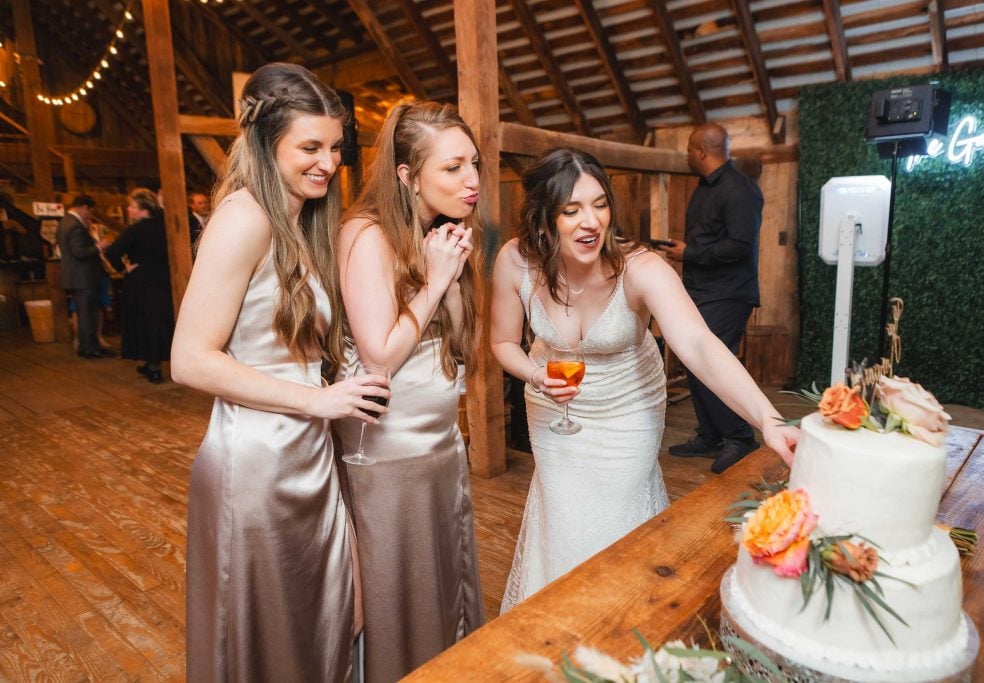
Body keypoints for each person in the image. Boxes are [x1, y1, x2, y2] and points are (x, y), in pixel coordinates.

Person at [490, 147, 798, 611]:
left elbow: (699, 344)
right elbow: (502, 343)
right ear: (543, 219)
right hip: (554, 410)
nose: (590, 221)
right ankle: (558, 620)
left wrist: (767, 418)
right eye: (571, 210)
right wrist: (535, 375)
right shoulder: (516, 260)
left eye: (599, 204)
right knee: (563, 517)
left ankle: (622, 618)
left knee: (613, 520)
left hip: (627, 411)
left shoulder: (640, 268)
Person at [170, 63, 382, 682]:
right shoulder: (246, 217)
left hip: (304, 454)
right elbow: (189, 358)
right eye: (310, 147)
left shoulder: (298, 220)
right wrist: (317, 400)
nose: (328, 162)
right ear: (267, 145)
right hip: (256, 465)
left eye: (336, 147)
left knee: (317, 621)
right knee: (271, 633)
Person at [335, 100, 483, 682]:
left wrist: (447, 281)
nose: (471, 180)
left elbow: (461, 344)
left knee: (443, 586)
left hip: (440, 445)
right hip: (389, 451)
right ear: (407, 175)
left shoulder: (439, 235)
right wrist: (438, 278)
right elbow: (380, 354)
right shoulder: (364, 233)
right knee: (399, 591)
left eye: (473, 163)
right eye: (452, 168)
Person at [658, 123, 765, 473]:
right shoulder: (705, 188)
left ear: (701, 152)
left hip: (729, 293)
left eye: (689, 150)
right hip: (702, 291)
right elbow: (710, 240)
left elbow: (739, 246)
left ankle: (740, 438)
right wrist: (688, 251)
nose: (688, 156)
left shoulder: (739, 190)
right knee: (694, 361)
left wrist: (690, 254)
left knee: (712, 365)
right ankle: (710, 435)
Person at [104, 188, 175, 383]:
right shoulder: (167, 225)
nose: (128, 209)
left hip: (142, 282)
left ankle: (153, 367)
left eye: (132, 206)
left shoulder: (136, 229)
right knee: (163, 322)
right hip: (166, 280)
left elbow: (112, 252)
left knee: (146, 324)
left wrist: (123, 269)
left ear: (144, 209)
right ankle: (158, 363)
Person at [56, 194, 114, 359]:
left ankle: (88, 346)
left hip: (77, 277)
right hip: (83, 278)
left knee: (85, 315)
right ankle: (90, 349)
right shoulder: (74, 225)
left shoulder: (65, 222)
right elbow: (80, 252)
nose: (89, 215)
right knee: (88, 315)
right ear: (83, 207)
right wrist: (99, 246)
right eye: (89, 211)